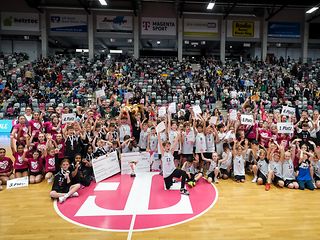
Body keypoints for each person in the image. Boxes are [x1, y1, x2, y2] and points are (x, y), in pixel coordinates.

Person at [157, 130, 189, 195]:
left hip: (173, 170)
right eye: (167, 146)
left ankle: (182, 189)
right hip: (167, 174)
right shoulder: (163, 153)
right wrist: (158, 133)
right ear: (164, 147)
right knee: (168, 187)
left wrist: (178, 135)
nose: (168, 147)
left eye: (169, 146)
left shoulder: (171, 152)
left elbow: (175, 143)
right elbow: (160, 143)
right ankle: (171, 180)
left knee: (183, 173)